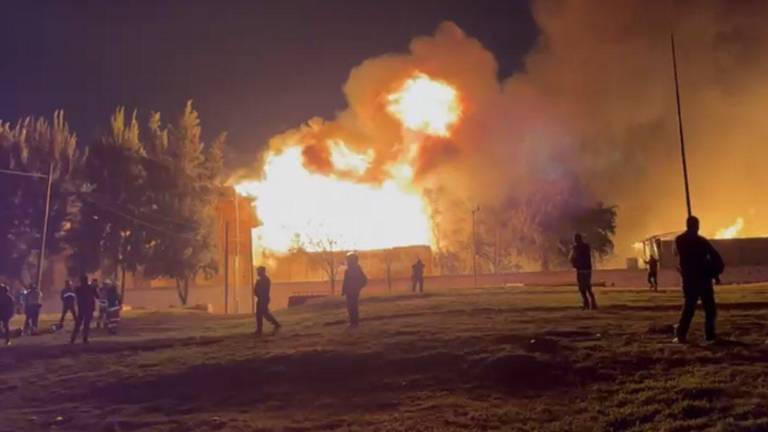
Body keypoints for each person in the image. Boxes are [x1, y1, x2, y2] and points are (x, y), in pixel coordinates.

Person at [673, 216, 724, 344]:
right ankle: (708, 335)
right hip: (701, 279)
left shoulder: (680, 240)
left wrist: (713, 272)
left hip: (692, 280)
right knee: (707, 309)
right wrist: (714, 272)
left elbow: (676, 255)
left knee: (690, 309)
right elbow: (716, 258)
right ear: (696, 226)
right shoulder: (699, 241)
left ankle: (682, 334)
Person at [570, 234, 598, 310]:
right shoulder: (586, 246)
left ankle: (586, 304)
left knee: (582, 288)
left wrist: (574, 263)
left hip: (581, 270)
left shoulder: (576, 248)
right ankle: (592, 304)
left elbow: (573, 258)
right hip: (587, 269)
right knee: (588, 287)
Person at [71, 275, 100, 344]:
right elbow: (97, 296)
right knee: (86, 324)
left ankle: (73, 339)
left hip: (81, 308)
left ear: (81, 281)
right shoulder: (91, 288)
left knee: (78, 324)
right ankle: (85, 339)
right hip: (89, 308)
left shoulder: (78, 289)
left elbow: (75, 294)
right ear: (87, 280)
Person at [341, 252, 368, 327]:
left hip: (353, 292)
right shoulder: (350, 270)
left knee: (352, 307)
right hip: (350, 292)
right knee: (351, 307)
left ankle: (354, 322)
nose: (347, 261)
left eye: (348, 259)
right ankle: (353, 322)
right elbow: (345, 282)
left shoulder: (355, 270)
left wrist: (357, 287)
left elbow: (363, 280)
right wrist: (344, 290)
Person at [253, 266, 280, 336]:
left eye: (258, 271)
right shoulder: (262, 279)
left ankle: (274, 324)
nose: (257, 273)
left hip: (263, 299)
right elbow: (256, 290)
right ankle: (261, 328)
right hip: (262, 298)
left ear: (262, 271)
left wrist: (257, 287)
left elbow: (261, 290)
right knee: (262, 314)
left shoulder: (265, 280)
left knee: (262, 314)